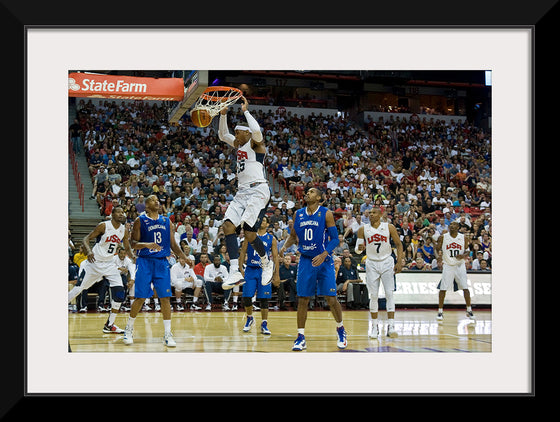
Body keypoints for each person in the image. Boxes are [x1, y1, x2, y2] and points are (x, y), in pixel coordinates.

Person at [279, 187, 347, 351]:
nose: (307, 193)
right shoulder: (298, 214)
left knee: (331, 298)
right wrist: (284, 247)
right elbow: (294, 236)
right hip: (306, 261)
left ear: (319, 198)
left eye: (311, 192)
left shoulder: (326, 213)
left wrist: (324, 254)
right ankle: (300, 337)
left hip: (324, 261)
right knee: (302, 299)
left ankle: (341, 329)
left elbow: (334, 240)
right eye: (307, 192)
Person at [218, 97, 274, 290]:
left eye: (238, 132)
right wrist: (223, 115)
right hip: (242, 192)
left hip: (258, 189)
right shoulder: (240, 146)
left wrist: (246, 112)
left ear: (246, 133)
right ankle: (234, 271)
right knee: (227, 226)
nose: (235, 134)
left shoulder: (255, 144)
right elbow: (222, 134)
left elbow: (257, 131)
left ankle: (267, 262)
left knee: (249, 231)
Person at [122, 194, 192, 347]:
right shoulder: (139, 220)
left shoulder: (167, 221)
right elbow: (133, 243)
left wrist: (184, 257)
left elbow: (173, 244)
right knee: (140, 298)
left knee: (165, 298)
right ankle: (128, 329)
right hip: (145, 261)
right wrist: (146, 245)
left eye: (157, 200)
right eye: (153, 200)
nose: (157, 202)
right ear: (146, 205)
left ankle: (167, 334)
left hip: (162, 263)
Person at [67, 206, 134, 334]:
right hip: (93, 263)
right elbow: (86, 239)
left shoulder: (123, 230)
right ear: (113, 214)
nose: (121, 214)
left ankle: (109, 325)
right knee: (78, 289)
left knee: (120, 293)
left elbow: (127, 247)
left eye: (123, 212)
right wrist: (89, 251)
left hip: (109, 264)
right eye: (119, 212)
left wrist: (133, 256)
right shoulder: (103, 226)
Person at [354, 206, 403, 339]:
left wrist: (399, 262)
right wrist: (360, 248)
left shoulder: (389, 227)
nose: (371, 215)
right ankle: (374, 326)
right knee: (374, 295)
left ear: (380, 215)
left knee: (389, 293)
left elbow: (399, 244)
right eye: (369, 213)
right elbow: (357, 251)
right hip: (371, 263)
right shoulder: (363, 229)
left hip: (387, 261)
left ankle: (391, 325)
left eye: (374, 213)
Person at [237, 216, 280, 334]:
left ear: (268, 225)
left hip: (264, 270)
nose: (262, 222)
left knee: (263, 299)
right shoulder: (250, 236)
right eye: (261, 220)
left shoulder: (271, 239)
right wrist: (240, 267)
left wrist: (276, 274)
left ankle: (264, 323)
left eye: (265, 220)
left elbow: (275, 257)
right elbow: (243, 251)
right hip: (250, 269)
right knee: (246, 296)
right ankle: (249, 318)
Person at [435, 221, 475, 321]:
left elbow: (468, 250)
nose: (451, 226)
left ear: (458, 227)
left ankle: (469, 310)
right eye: (450, 225)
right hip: (448, 265)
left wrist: (463, 255)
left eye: (454, 225)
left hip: (459, 265)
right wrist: (438, 258)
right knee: (443, 288)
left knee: (465, 288)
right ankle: (440, 311)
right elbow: (436, 248)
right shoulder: (443, 237)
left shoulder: (463, 237)